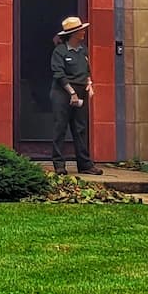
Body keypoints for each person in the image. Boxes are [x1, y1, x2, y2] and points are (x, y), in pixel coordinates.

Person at [49, 15, 96, 176]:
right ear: (73, 33)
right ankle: (59, 164)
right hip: (62, 92)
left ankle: (85, 164)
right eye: (80, 30)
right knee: (60, 127)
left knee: (81, 128)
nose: (83, 32)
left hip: (81, 90)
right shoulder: (60, 51)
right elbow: (59, 74)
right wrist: (72, 93)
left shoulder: (83, 50)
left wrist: (89, 84)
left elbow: (87, 70)